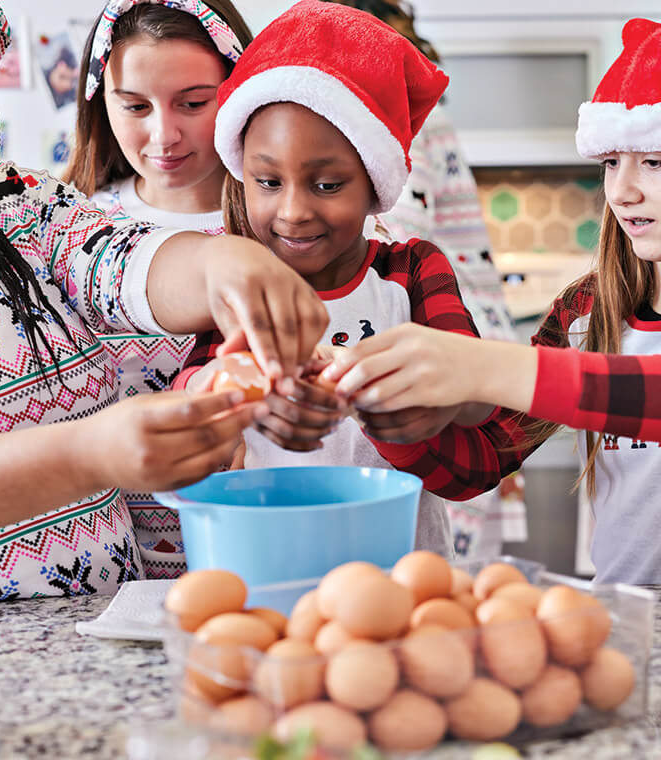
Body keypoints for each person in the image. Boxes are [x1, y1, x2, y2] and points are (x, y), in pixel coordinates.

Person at [319, 10, 661, 583]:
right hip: (620, 625)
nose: (621, 189)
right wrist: (384, 415)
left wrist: (482, 365)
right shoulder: (589, 309)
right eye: (612, 161)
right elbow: (477, 465)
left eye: (655, 162)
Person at [0, 0, 327, 607]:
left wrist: (223, 265)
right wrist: (92, 452)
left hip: (98, 636)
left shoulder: (8, 201)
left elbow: (120, 261)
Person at [175, 0, 484, 557]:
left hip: (400, 572)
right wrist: (229, 387)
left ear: (375, 183)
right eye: (268, 181)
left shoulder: (411, 270)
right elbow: (189, 393)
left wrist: (400, 385)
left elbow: (476, 396)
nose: (292, 212)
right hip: (268, 563)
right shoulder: (240, 276)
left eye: (326, 185)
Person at [324, 0, 525, 559]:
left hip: (448, 365)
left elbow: (462, 262)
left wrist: (477, 385)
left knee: (439, 584)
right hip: (395, 394)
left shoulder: (422, 128)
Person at [64, 0, 254, 578]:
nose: (163, 134)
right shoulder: (68, 228)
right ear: (101, 104)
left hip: (252, 547)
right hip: (113, 567)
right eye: (135, 106)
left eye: (194, 103)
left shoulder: (283, 229)